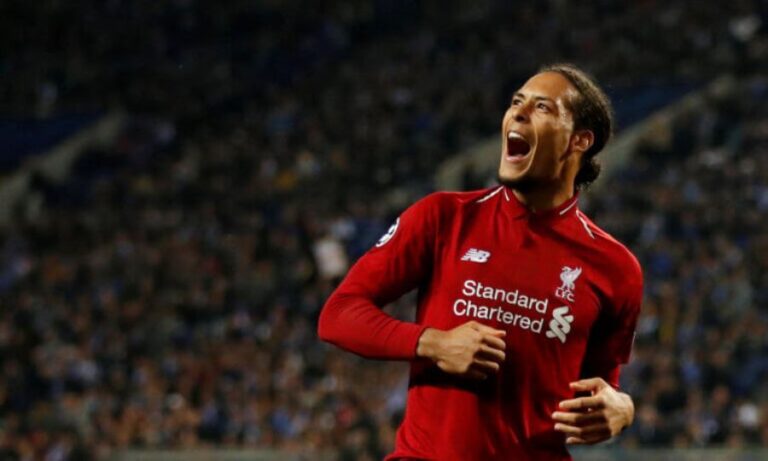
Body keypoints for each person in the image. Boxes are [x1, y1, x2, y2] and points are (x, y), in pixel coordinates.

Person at [318, 64, 643, 460]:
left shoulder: (615, 268)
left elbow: (599, 387)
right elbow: (338, 314)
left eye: (542, 107)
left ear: (579, 140)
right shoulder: (444, 217)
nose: (518, 113)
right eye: (516, 102)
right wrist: (433, 343)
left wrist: (622, 409)